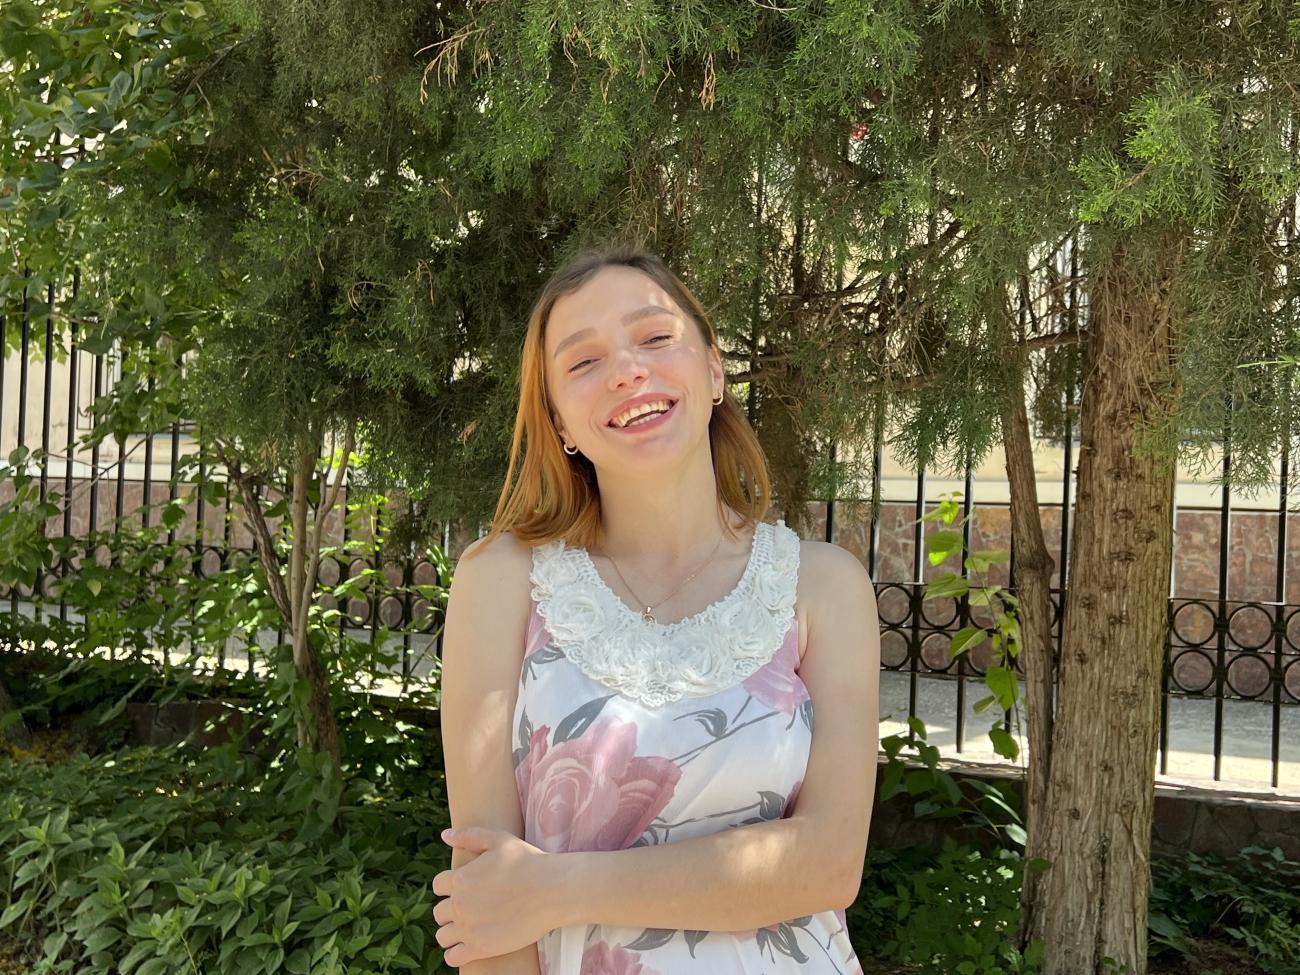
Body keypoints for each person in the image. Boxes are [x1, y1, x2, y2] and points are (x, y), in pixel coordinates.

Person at [433, 242, 881, 974]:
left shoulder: (824, 586)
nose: (626, 370)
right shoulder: (501, 580)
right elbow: (487, 909)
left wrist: (553, 889)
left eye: (654, 336)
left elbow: (827, 864)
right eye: (583, 361)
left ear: (714, 371)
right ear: (561, 423)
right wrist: (521, 897)